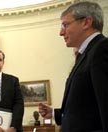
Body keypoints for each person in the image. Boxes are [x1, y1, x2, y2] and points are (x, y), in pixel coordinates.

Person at [38, 1, 108, 132]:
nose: (61, 32)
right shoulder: (85, 54)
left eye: (65, 25)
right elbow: (86, 109)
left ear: (86, 22)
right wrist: (54, 113)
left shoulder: (102, 49)